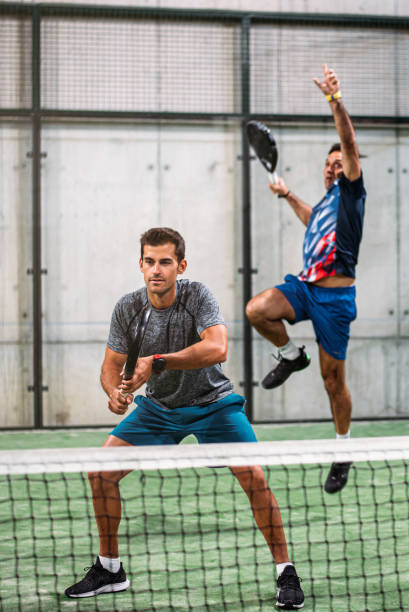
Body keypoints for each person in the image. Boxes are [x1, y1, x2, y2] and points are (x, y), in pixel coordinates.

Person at [65, 227, 304, 610]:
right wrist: (113, 392)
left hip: (214, 405)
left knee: (254, 477)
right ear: (140, 265)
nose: (156, 269)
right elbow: (110, 367)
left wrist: (158, 362)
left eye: (165, 262)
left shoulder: (197, 296)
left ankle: (285, 570)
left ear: (181, 265)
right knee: (100, 471)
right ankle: (110, 569)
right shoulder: (128, 308)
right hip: (159, 411)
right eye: (149, 261)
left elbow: (217, 346)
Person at [246, 65, 366, 495]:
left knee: (333, 381)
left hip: (335, 301)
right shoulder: (325, 204)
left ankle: (343, 449)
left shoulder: (352, 195)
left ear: (349, 167)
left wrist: (334, 98)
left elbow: (349, 142)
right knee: (257, 309)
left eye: (340, 163)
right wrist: (287, 195)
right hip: (304, 288)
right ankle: (292, 355)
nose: (334, 167)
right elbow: (311, 219)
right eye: (329, 164)